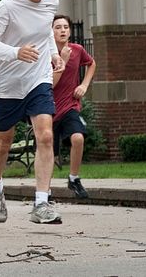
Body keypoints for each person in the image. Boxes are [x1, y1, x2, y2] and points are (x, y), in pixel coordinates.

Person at [0, 0, 65, 224]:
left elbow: (45, 34)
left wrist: (53, 54)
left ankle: (41, 203)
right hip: (7, 85)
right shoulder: (7, 7)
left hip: (37, 80)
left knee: (46, 136)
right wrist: (16, 52)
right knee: (3, 143)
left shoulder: (51, 3)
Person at [52, 14, 96, 199]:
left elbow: (92, 64)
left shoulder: (77, 50)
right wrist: (61, 60)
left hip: (70, 106)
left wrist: (84, 85)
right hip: (48, 110)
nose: (62, 30)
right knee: (49, 157)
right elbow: (50, 85)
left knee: (78, 138)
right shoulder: (47, 52)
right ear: (51, 32)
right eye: (58, 27)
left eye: (65, 27)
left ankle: (74, 178)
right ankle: (44, 193)